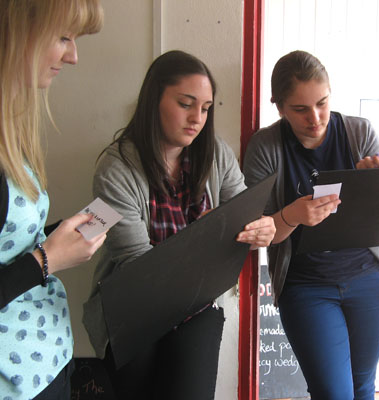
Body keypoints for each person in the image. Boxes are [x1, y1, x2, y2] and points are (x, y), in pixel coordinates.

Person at [82, 50, 276, 400]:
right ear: (154, 98)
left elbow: (243, 210)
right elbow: (136, 265)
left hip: (196, 303)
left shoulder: (215, 153)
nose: (197, 118)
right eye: (186, 104)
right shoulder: (115, 168)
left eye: (205, 108)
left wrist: (262, 229)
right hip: (133, 307)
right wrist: (201, 240)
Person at [243, 50, 379, 400]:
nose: (315, 118)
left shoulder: (359, 131)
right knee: (333, 392)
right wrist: (293, 216)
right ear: (280, 107)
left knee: (363, 388)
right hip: (307, 285)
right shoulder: (266, 147)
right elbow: (257, 234)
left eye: (322, 103)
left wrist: (377, 188)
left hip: (369, 278)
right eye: (300, 109)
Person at [0, 1, 106, 399]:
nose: (74, 56)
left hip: (47, 361)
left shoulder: (12, 132)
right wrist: (47, 260)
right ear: (15, 29)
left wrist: (58, 234)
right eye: (63, 37)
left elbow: (9, 240)